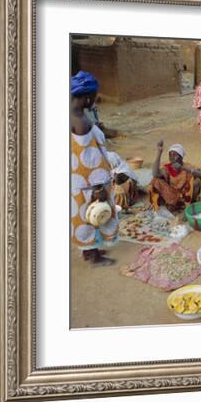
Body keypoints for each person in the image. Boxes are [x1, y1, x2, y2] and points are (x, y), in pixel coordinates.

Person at [70, 71, 120, 265]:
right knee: (93, 217)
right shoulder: (81, 122)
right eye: (94, 96)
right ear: (87, 97)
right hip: (90, 183)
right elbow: (90, 161)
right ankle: (95, 257)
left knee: (84, 216)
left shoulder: (71, 115)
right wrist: (99, 188)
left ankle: (88, 252)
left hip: (77, 181)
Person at [149, 141, 201, 212]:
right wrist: (159, 152)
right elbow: (155, 173)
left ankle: (186, 206)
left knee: (196, 182)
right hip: (171, 195)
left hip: (185, 197)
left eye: (174, 155)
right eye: (170, 155)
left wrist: (183, 168)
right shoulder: (168, 167)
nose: (172, 157)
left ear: (181, 157)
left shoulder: (186, 166)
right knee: (155, 180)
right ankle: (167, 204)